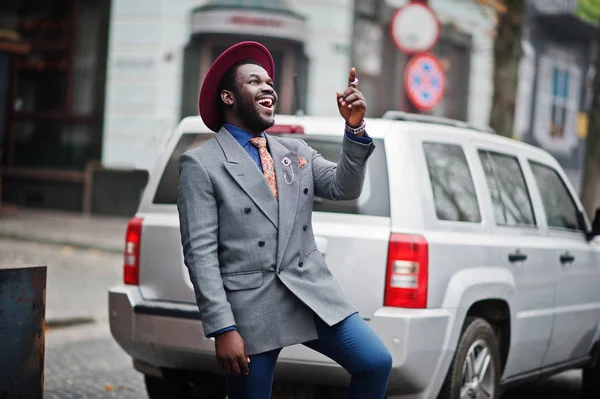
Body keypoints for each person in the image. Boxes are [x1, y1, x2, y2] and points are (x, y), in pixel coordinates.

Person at [177, 41, 392, 399]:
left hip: (310, 294)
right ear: (228, 97)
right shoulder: (201, 163)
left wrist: (354, 130)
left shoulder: (295, 152)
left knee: (375, 362)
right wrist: (222, 327)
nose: (267, 87)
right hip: (251, 308)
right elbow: (200, 256)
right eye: (254, 81)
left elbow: (344, 187)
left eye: (269, 83)